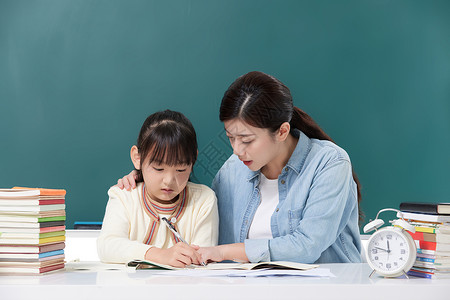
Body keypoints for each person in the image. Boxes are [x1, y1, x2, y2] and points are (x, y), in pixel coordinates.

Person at [118, 71, 362, 264]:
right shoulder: (232, 171)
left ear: (282, 131)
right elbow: (193, 207)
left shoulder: (329, 163)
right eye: (230, 137)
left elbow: (308, 245)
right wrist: (143, 182)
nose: (236, 150)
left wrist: (226, 252)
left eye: (246, 140)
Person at [97, 110, 218, 267]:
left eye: (181, 169)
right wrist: (159, 255)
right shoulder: (124, 195)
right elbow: (107, 246)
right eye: (159, 169)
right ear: (137, 158)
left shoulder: (204, 199)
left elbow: (202, 258)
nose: (169, 181)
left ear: (193, 160)